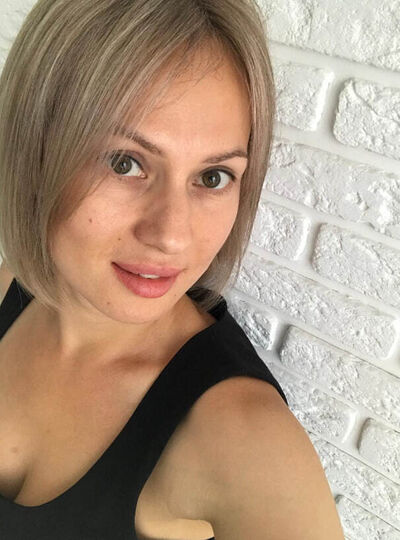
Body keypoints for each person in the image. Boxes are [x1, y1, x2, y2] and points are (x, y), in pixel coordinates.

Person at [0, 0, 345, 539]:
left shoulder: (246, 442)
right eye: (124, 162)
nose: (172, 236)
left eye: (213, 177)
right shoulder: (8, 286)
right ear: (35, 148)